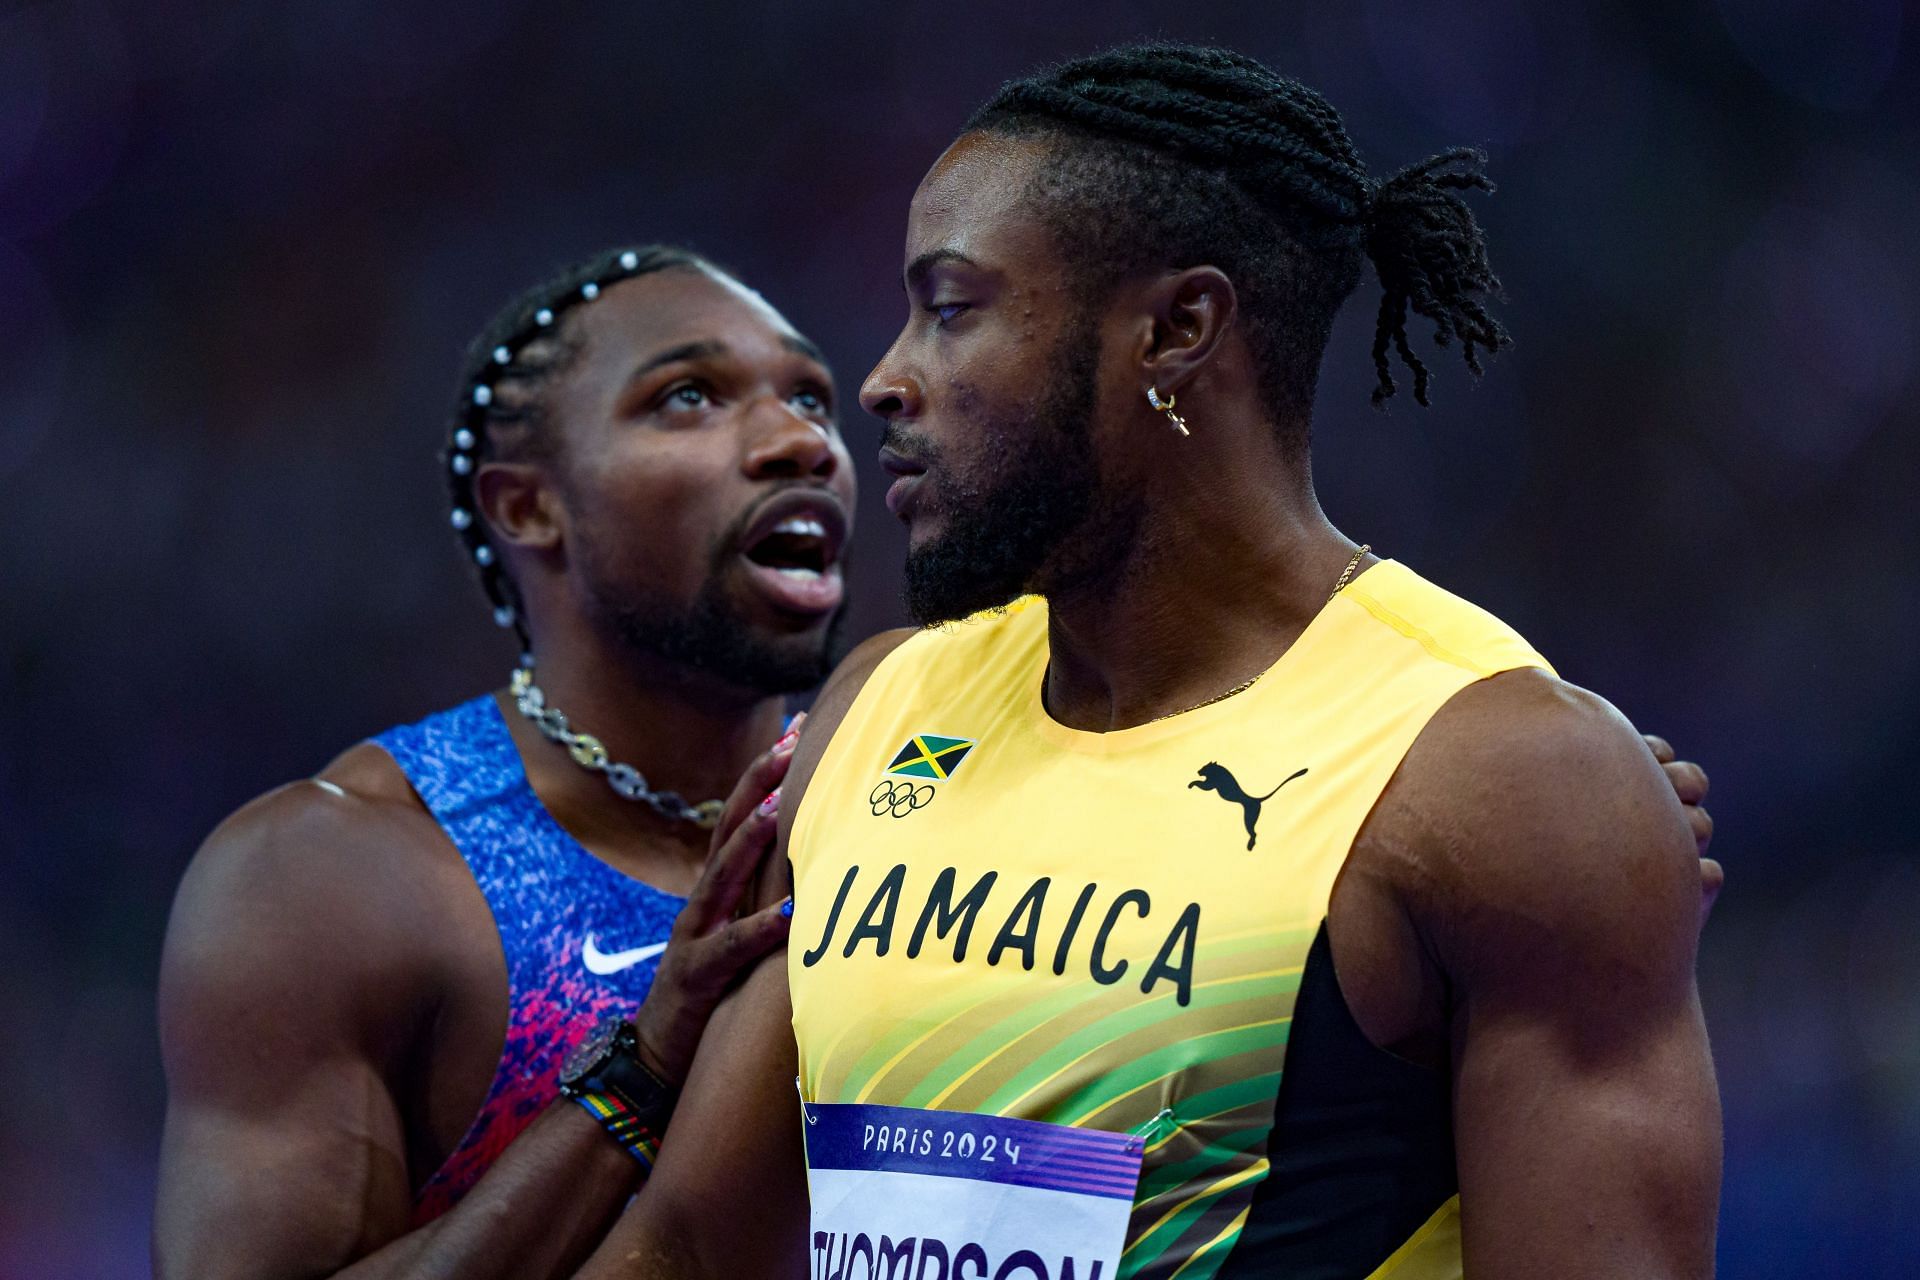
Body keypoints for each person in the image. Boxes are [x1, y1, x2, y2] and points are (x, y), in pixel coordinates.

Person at [606, 44, 1722, 1280]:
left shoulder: (1495, 778)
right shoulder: (879, 704)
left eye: (953, 307)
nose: (883, 377)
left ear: (1178, 329)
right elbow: (691, 1244)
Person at [154, 245, 853, 1278]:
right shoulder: (337, 871)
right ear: (528, 506)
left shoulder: (912, 810)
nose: (799, 441)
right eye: (690, 396)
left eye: (810, 396)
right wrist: (642, 1070)